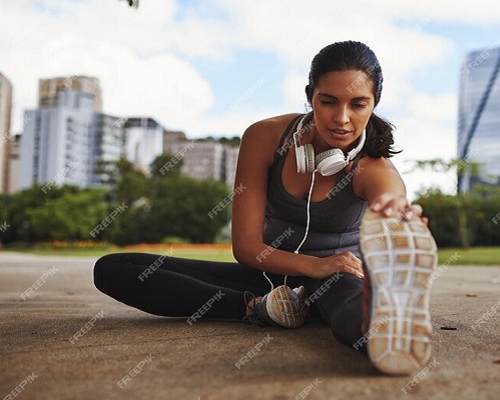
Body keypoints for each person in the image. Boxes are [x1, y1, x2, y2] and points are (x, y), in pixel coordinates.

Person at [93, 41, 438, 375]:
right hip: (266, 274)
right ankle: (261, 308)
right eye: (328, 101)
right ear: (309, 97)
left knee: (349, 305)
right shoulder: (265, 137)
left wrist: (397, 216)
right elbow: (246, 246)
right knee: (117, 267)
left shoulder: (371, 167)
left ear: (374, 103)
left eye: (358, 104)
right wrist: (311, 266)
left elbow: (389, 197)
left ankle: (386, 328)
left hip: (339, 276)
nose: (342, 119)